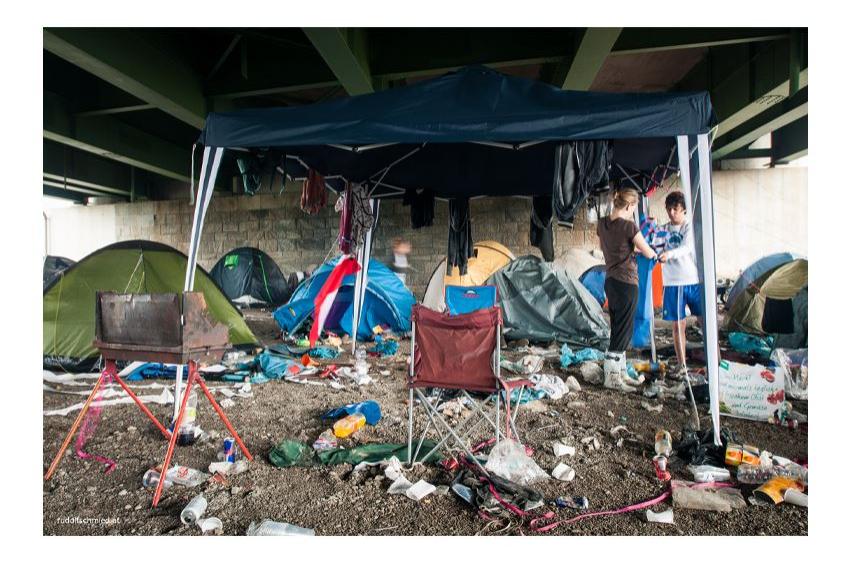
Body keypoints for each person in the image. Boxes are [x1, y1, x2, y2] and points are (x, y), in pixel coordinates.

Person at [596, 188, 659, 392]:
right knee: (624, 331)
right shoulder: (629, 226)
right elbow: (649, 252)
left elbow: (617, 247)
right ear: (631, 206)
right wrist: (654, 252)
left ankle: (620, 372)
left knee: (618, 327)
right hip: (626, 283)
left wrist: (633, 248)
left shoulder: (602, 224)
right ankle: (612, 378)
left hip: (611, 281)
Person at [658, 191, 703, 380]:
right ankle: (682, 364)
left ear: (684, 209)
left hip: (692, 280)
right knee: (678, 325)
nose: (672, 213)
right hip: (673, 283)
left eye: (676, 209)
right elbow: (655, 247)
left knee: (704, 322)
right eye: (669, 209)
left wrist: (669, 254)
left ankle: (715, 360)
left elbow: (687, 248)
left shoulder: (689, 228)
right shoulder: (662, 229)